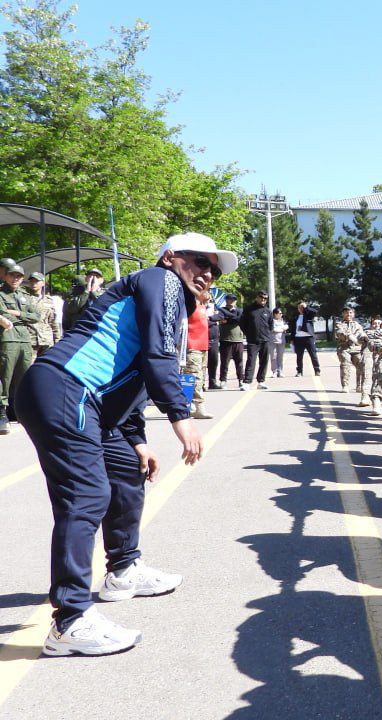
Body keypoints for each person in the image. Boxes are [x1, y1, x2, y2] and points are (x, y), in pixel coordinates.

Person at [16, 231, 232, 656]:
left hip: (94, 403)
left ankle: (123, 569)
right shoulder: (159, 280)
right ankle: (70, 620)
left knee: (127, 472)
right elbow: (155, 358)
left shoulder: (173, 302)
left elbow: (130, 377)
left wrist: (136, 439)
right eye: (201, 262)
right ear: (171, 257)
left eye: (214, 270)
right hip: (67, 387)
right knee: (86, 497)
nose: (208, 274)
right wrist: (180, 417)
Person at [0, 258, 40, 432]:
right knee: (5, 377)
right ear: (6, 276)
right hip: (7, 338)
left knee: (22, 377)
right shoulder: (1, 294)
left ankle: (18, 411)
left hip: (25, 339)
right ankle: (2, 413)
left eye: (18, 276)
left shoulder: (25, 295)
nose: (15, 278)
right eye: (12, 275)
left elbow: (36, 316)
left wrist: (17, 313)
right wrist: (22, 316)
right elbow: (2, 314)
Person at [186, 289, 213, 420]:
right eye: (206, 291)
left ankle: (188, 405)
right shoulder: (189, 305)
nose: (208, 294)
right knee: (194, 377)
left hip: (203, 346)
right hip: (192, 345)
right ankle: (199, 406)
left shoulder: (203, 306)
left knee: (201, 376)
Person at [239, 290, 272, 390]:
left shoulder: (268, 311)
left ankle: (261, 381)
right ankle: (247, 382)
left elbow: (271, 325)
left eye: (265, 298)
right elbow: (242, 323)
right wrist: (249, 333)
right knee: (251, 360)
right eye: (261, 297)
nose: (263, 300)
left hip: (265, 340)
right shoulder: (249, 309)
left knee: (264, 361)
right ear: (257, 297)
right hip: (253, 340)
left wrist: (267, 334)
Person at [24, 272, 62, 357]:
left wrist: (57, 340)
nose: (34, 284)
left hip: (46, 340)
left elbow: (53, 322)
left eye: (36, 281)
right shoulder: (24, 298)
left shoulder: (48, 300)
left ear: (43, 283)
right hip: (30, 339)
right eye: (32, 281)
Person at [334, 306, 367, 399]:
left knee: (361, 364)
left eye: (350, 313)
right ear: (343, 314)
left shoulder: (357, 325)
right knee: (345, 363)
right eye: (346, 313)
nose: (348, 314)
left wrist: (363, 337)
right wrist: (347, 335)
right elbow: (340, 334)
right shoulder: (339, 324)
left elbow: (361, 334)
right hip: (344, 348)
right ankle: (345, 385)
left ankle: (359, 385)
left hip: (356, 348)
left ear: (353, 314)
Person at [61, 267, 104, 332]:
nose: (93, 279)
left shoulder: (105, 293)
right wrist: (86, 292)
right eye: (90, 276)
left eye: (97, 277)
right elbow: (72, 309)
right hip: (79, 328)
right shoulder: (76, 292)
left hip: (97, 329)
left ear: (101, 280)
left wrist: (94, 292)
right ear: (86, 278)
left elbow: (103, 307)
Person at [217, 293, 245, 389]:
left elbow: (239, 319)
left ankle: (241, 380)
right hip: (225, 340)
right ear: (226, 300)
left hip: (238, 340)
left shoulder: (240, 310)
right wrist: (232, 319)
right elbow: (222, 319)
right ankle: (223, 380)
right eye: (229, 299)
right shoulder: (221, 310)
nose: (231, 301)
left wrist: (228, 319)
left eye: (233, 299)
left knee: (239, 362)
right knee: (224, 362)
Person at [290, 301, 322, 377]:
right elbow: (293, 329)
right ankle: (299, 371)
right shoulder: (296, 317)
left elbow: (314, 311)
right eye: (299, 307)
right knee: (299, 357)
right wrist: (292, 339)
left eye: (302, 307)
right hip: (298, 338)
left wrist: (306, 307)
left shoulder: (308, 315)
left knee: (313, 355)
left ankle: (317, 370)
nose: (300, 309)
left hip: (308, 338)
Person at [269, 307, 288, 379]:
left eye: (281, 313)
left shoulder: (283, 320)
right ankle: (274, 371)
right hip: (272, 341)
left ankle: (280, 371)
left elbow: (286, 327)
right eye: (279, 313)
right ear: (275, 314)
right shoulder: (271, 321)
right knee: (273, 357)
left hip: (281, 340)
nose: (281, 314)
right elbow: (273, 329)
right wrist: (281, 329)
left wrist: (281, 329)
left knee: (280, 357)